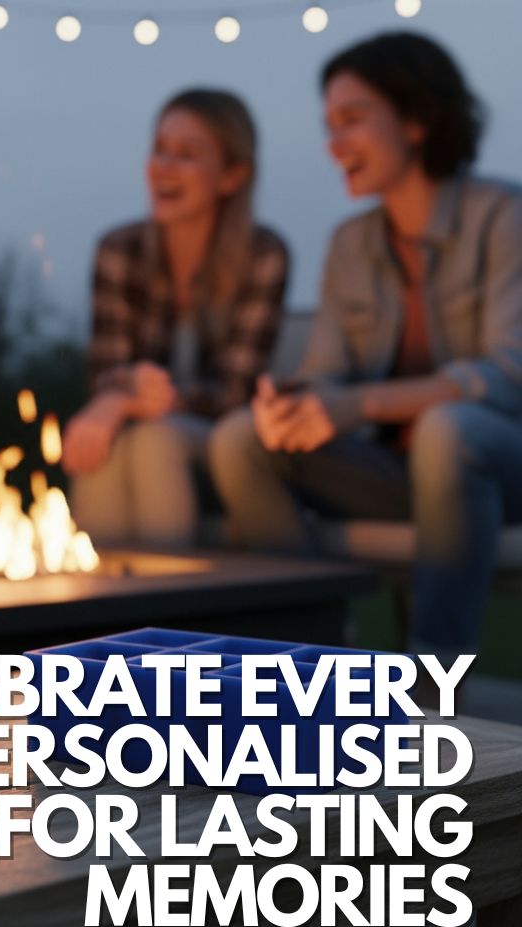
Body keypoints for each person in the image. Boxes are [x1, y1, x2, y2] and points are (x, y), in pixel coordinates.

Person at [209, 32, 522, 660]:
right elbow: (327, 373)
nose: (335, 145)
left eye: (352, 119)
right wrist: (296, 399)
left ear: (416, 119)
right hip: (397, 473)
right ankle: (308, 660)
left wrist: (360, 405)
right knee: (241, 438)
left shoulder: (501, 216)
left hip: (495, 460)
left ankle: (433, 690)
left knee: (447, 429)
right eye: (329, 126)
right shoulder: (351, 243)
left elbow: (507, 375)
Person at [61, 89, 289, 546]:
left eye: (186, 155)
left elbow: (234, 392)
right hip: (139, 432)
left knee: (151, 441)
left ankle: (164, 605)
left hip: (223, 445)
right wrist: (119, 399)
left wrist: (127, 400)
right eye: (160, 149)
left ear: (232, 175)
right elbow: (108, 369)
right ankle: (98, 605)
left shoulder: (263, 254)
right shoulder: (119, 250)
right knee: (104, 446)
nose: (163, 166)